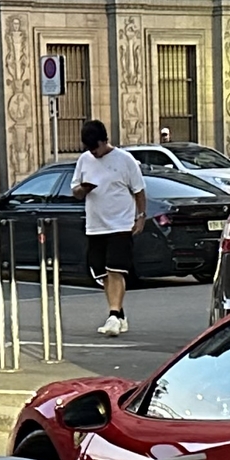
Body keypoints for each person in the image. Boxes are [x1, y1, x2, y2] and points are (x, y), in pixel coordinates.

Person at [70, 119, 146, 338]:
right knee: (102, 272)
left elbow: (139, 191)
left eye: (96, 147)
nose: (93, 152)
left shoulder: (125, 160)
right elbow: (75, 189)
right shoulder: (84, 160)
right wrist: (82, 191)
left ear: (105, 141)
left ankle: (112, 315)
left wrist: (140, 217)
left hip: (120, 223)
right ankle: (119, 315)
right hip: (96, 225)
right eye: (89, 149)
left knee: (116, 269)